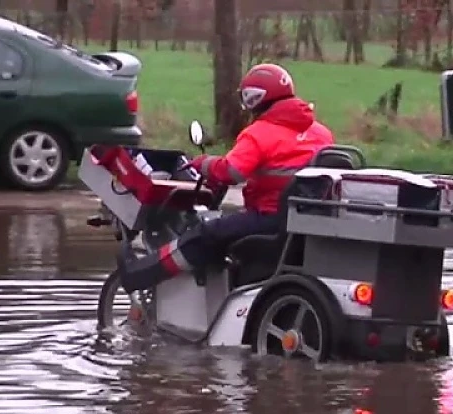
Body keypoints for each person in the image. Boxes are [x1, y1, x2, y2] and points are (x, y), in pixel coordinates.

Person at [117, 63, 335, 293]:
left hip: (270, 219)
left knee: (206, 233)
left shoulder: (259, 132)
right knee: (227, 226)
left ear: (253, 98)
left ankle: (138, 275)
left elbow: (232, 171)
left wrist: (204, 164)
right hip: (306, 222)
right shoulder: (321, 132)